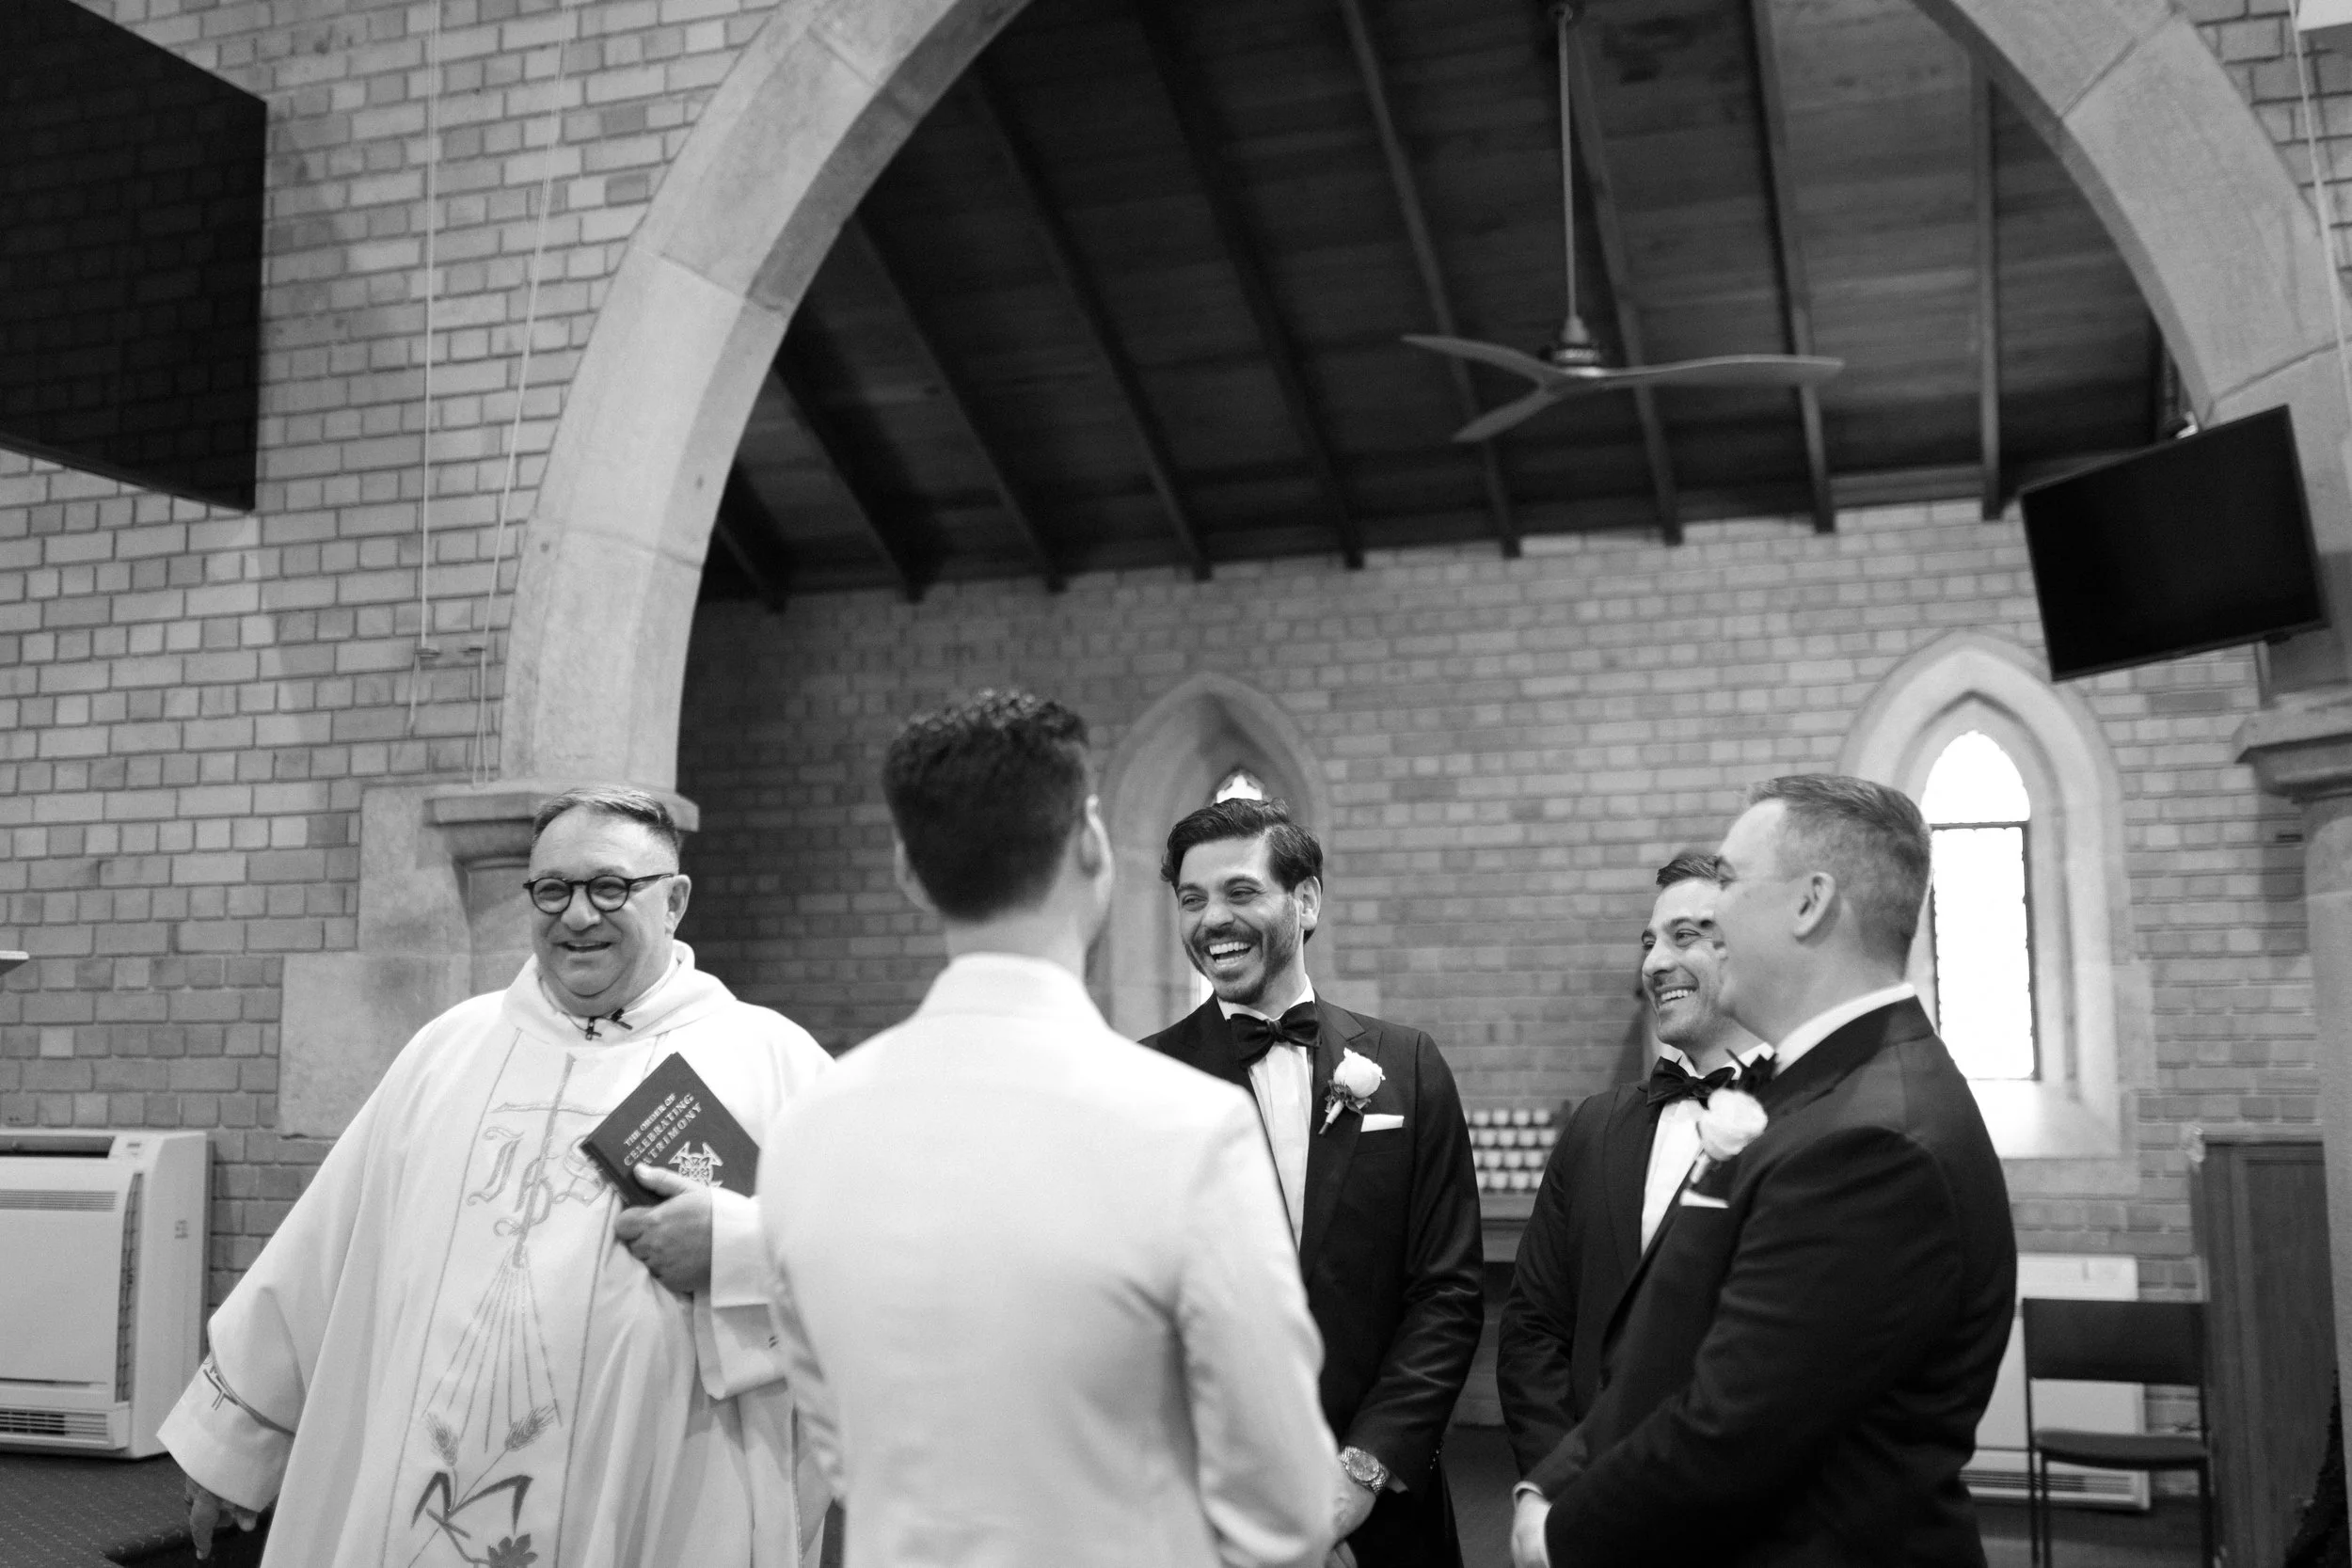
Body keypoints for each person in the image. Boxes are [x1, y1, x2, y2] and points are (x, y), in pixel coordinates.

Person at [162, 786, 834, 1567]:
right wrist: (231, 1442)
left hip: (657, 1498)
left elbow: (874, 1265)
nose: (577, 915)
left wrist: (737, 1245)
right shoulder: (449, 1049)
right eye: (552, 889)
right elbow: (326, 1248)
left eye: (609, 886)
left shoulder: (770, 1062)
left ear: (674, 900)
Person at [758, 691, 1336, 1568]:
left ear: (909, 872)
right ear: (1093, 843)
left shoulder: (808, 1125)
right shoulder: (1186, 1129)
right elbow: (1286, 1502)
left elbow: (836, 1447)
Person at [1515, 775, 2016, 1567]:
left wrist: (1561, 1533)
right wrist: (1550, 1477)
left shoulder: (1873, 1138)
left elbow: (1737, 1424)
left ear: (1810, 902)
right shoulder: (1818, 1090)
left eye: (1731, 883)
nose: (1713, 922)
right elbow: (1665, 1350)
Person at [1145, 799, 1483, 1568]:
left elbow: (1448, 1291)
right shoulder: (1143, 1080)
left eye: (1240, 891)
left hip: (1388, 1504)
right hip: (1212, 1516)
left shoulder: (1408, 1064)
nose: (1212, 919)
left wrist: (1360, 1473)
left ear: (1306, 900)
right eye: (1192, 899)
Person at [1495, 851, 1764, 1478]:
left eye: (1684, 936)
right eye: (1649, 943)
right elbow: (1533, 1328)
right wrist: (1557, 1482)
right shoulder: (1594, 1127)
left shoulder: (1806, 1119)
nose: (1654, 964)